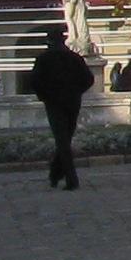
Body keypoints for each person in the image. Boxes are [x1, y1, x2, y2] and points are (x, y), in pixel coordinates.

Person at [28, 26, 93, 190]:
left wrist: (45, 96)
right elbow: (88, 79)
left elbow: (34, 82)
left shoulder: (43, 59)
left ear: (49, 42)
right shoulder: (75, 58)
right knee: (65, 138)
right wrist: (77, 92)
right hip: (72, 102)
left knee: (62, 139)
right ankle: (56, 173)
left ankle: (71, 179)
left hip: (54, 103)